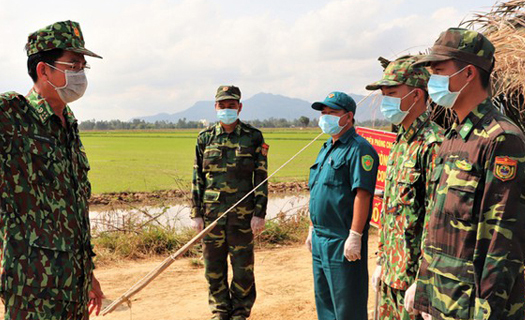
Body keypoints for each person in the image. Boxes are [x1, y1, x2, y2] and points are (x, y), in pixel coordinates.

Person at [412, 28, 525, 320]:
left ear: (469, 74)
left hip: (472, 307)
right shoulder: (452, 138)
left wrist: (486, 313)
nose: (432, 80)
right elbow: (436, 223)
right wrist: (424, 290)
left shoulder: (501, 139)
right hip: (442, 300)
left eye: (439, 70)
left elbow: (502, 242)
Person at [0, 21, 104, 319]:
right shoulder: (13, 115)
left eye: (83, 65)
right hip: (33, 290)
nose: (81, 73)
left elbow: (72, 213)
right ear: (44, 70)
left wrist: (89, 275)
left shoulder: (68, 124)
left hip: (74, 286)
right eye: (74, 64)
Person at [365, 55, 444, 320]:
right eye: (384, 94)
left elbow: (435, 219)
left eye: (392, 93)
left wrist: (425, 278)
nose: (385, 100)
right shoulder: (400, 142)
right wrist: (380, 262)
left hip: (414, 280)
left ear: (416, 95)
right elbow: (392, 211)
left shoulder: (433, 144)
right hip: (391, 272)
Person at [191, 85, 268, 320]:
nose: (226, 109)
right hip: (212, 215)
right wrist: (196, 214)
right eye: (222, 106)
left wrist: (259, 213)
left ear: (240, 107)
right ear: (216, 107)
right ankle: (220, 312)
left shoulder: (253, 137)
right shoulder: (205, 138)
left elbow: (261, 177)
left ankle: (240, 313)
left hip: (243, 217)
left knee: (243, 269)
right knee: (213, 269)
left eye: (231, 106)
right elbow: (197, 178)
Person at [305, 91, 379, 320]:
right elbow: (318, 190)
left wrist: (355, 235)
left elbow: (362, 194)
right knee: (325, 303)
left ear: (348, 117)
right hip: (320, 237)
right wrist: (311, 228)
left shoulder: (359, 149)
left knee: (347, 306)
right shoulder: (327, 146)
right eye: (323, 112)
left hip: (341, 238)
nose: (325, 117)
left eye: (332, 112)